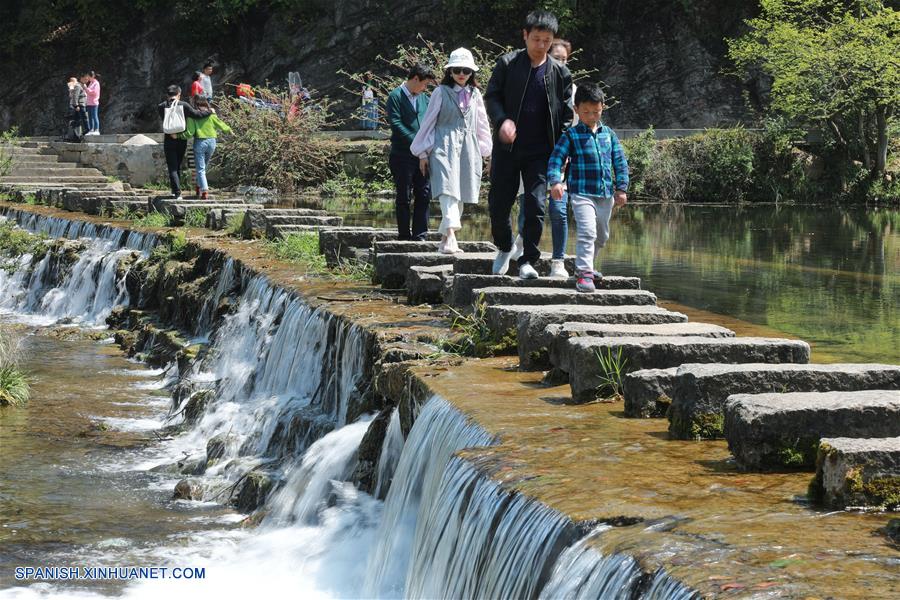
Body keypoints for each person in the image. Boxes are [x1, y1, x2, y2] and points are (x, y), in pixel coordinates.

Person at [485, 10, 573, 279]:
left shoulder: (560, 72)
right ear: (525, 35)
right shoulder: (508, 64)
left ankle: (527, 261)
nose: (541, 45)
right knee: (499, 205)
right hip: (508, 148)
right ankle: (504, 246)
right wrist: (502, 121)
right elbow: (492, 97)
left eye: (547, 40)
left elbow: (566, 115)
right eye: (536, 39)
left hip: (541, 151)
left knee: (535, 207)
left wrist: (563, 151)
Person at [547, 83, 628, 293]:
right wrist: (555, 182)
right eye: (586, 112)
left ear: (603, 108)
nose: (591, 116)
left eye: (596, 112)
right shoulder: (571, 135)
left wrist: (621, 188)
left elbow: (620, 162)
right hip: (581, 193)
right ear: (576, 110)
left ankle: (587, 266)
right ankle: (584, 273)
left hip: (605, 194)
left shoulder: (608, 134)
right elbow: (556, 159)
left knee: (601, 236)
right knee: (587, 231)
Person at [410, 48, 492, 254]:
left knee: (461, 192)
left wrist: (487, 152)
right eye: (457, 70)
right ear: (450, 71)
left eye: (466, 70)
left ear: (472, 72)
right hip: (443, 144)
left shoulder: (475, 94)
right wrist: (422, 152)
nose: (461, 74)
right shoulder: (440, 92)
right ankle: (452, 235)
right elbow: (428, 122)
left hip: (468, 148)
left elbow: (482, 124)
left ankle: (446, 238)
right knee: (447, 189)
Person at [385, 63, 435, 241]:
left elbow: (430, 123)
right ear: (415, 79)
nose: (425, 88)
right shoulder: (395, 96)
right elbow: (396, 124)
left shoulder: (425, 99)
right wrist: (417, 143)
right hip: (402, 154)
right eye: (424, 84)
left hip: (423, 156)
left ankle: (420, 234)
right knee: (403, 195)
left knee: (424, 193)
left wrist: (425, 148)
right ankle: (404, 235)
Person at [157, 84, 213, 200]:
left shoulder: (161, 106)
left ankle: (176, 192)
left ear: (167, 95)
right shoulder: (183, 105)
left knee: (172, 167)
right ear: (179, 94)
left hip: (169, 138)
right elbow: (197, 115)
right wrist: (209, 111)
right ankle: (176, 191)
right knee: (177, 165)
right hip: (181, 139)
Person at [184, 96, 231, 200]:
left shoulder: (193, 116)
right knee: (203, 167)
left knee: (200, 168)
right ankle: (198, 186)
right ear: (207, 105)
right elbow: (221, 125)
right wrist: (229, 130)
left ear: (196, 106)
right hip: (212, 142)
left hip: (200, 142)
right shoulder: (211, 115)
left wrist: (179, 136)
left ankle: (204, 190)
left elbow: (190, 133)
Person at [81, 71, 101, 135]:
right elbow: (88, 92)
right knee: (90, 117)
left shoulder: (96, 83)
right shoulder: (91, 83)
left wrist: (86, 89)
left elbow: (94, 92)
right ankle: (91, 130)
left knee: (94, 116)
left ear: (92, 76)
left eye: (89, 77)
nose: (88, 78)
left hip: (94, 102)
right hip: (89, 103)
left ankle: (97, 130)